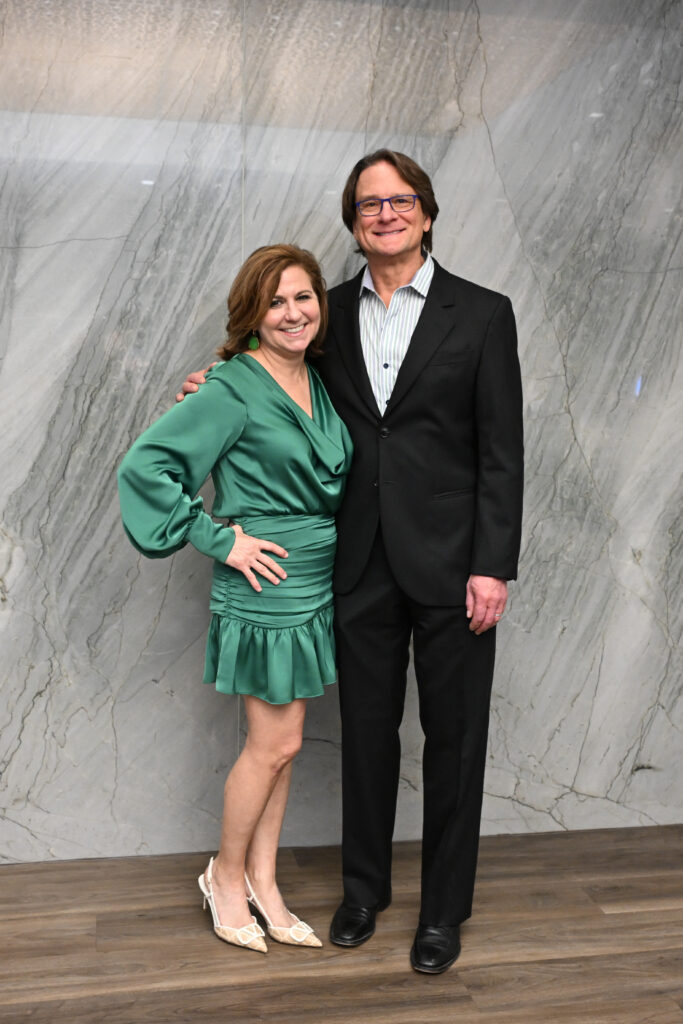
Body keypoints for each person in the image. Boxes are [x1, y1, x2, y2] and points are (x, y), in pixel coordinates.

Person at [179, 150, 524, 974]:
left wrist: (493, 565)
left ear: (427, 214)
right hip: (356, 562)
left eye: (400, 200)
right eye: (369, 204)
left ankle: (443, 912)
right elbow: (276, 373)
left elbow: (500, 453)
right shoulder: (321, 312)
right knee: (365, 738)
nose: (385, 214)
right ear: (353, 222)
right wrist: (215, 386)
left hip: (454, 568)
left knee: (455, 742)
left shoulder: (482, 313)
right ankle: (363, 893)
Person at [118, 244, 353, 955]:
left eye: (303, 298)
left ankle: (264, 880)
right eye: (275, 301)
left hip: (315, 582)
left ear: (320, 304)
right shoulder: (229, 385)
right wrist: (223, 541)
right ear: (252, 312)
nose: (291, 313)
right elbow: (147, 467)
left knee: (281, 748)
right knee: (272, 743)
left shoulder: (317, 377)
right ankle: (224, 877)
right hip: (266, 582)